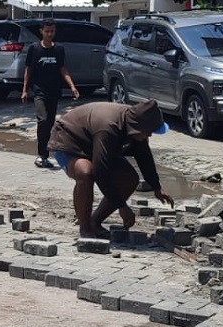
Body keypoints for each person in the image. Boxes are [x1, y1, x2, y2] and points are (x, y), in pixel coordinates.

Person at [47, 99, 175, 239]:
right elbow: (101, 172)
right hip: (69, 140)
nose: (149, 135)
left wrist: (156, 187)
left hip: (95, 144)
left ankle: (95, 222)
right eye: (149, 132)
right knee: (86, 173)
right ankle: (85, 228)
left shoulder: (136, 124)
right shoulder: (109, 128)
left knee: (130, 178)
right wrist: (122, 206)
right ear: (137, 127)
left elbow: (144, 155)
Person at [21, 18, 79, 169]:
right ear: (41, 31)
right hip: (39, 91)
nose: (49, 34)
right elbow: (29, 69)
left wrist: (72, 86)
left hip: (54, 92)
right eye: (47, 31)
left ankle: (45, 155)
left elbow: (62, 69)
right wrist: (25, 89)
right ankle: (41, 155)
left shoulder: (59, 49)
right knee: (43, 120)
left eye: (52, 31)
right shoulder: (34, 49)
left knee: (50, 124)